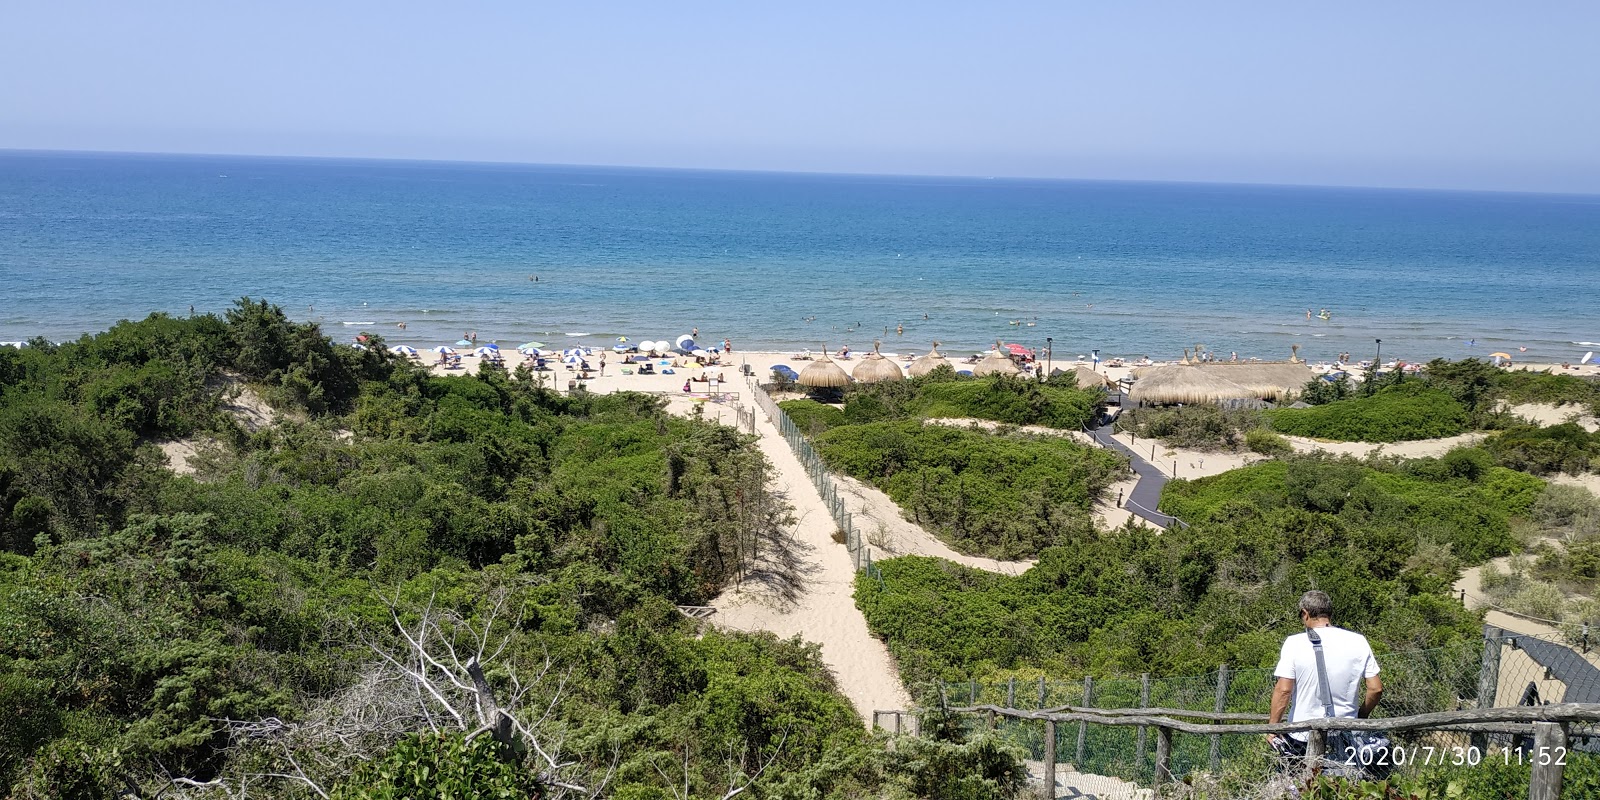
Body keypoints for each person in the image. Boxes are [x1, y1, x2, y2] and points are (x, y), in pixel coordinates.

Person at [1268, 591, 1382, 764]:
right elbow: (1375, 688)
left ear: (1305, 613)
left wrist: (1273, 728)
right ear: (1329, 614)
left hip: (1302, 733)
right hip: (1346, 731)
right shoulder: (1358, 641)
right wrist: (1360, 715)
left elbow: (1284, 690)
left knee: (1301, 786)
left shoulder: (1294, 643)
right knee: (1346, 784)